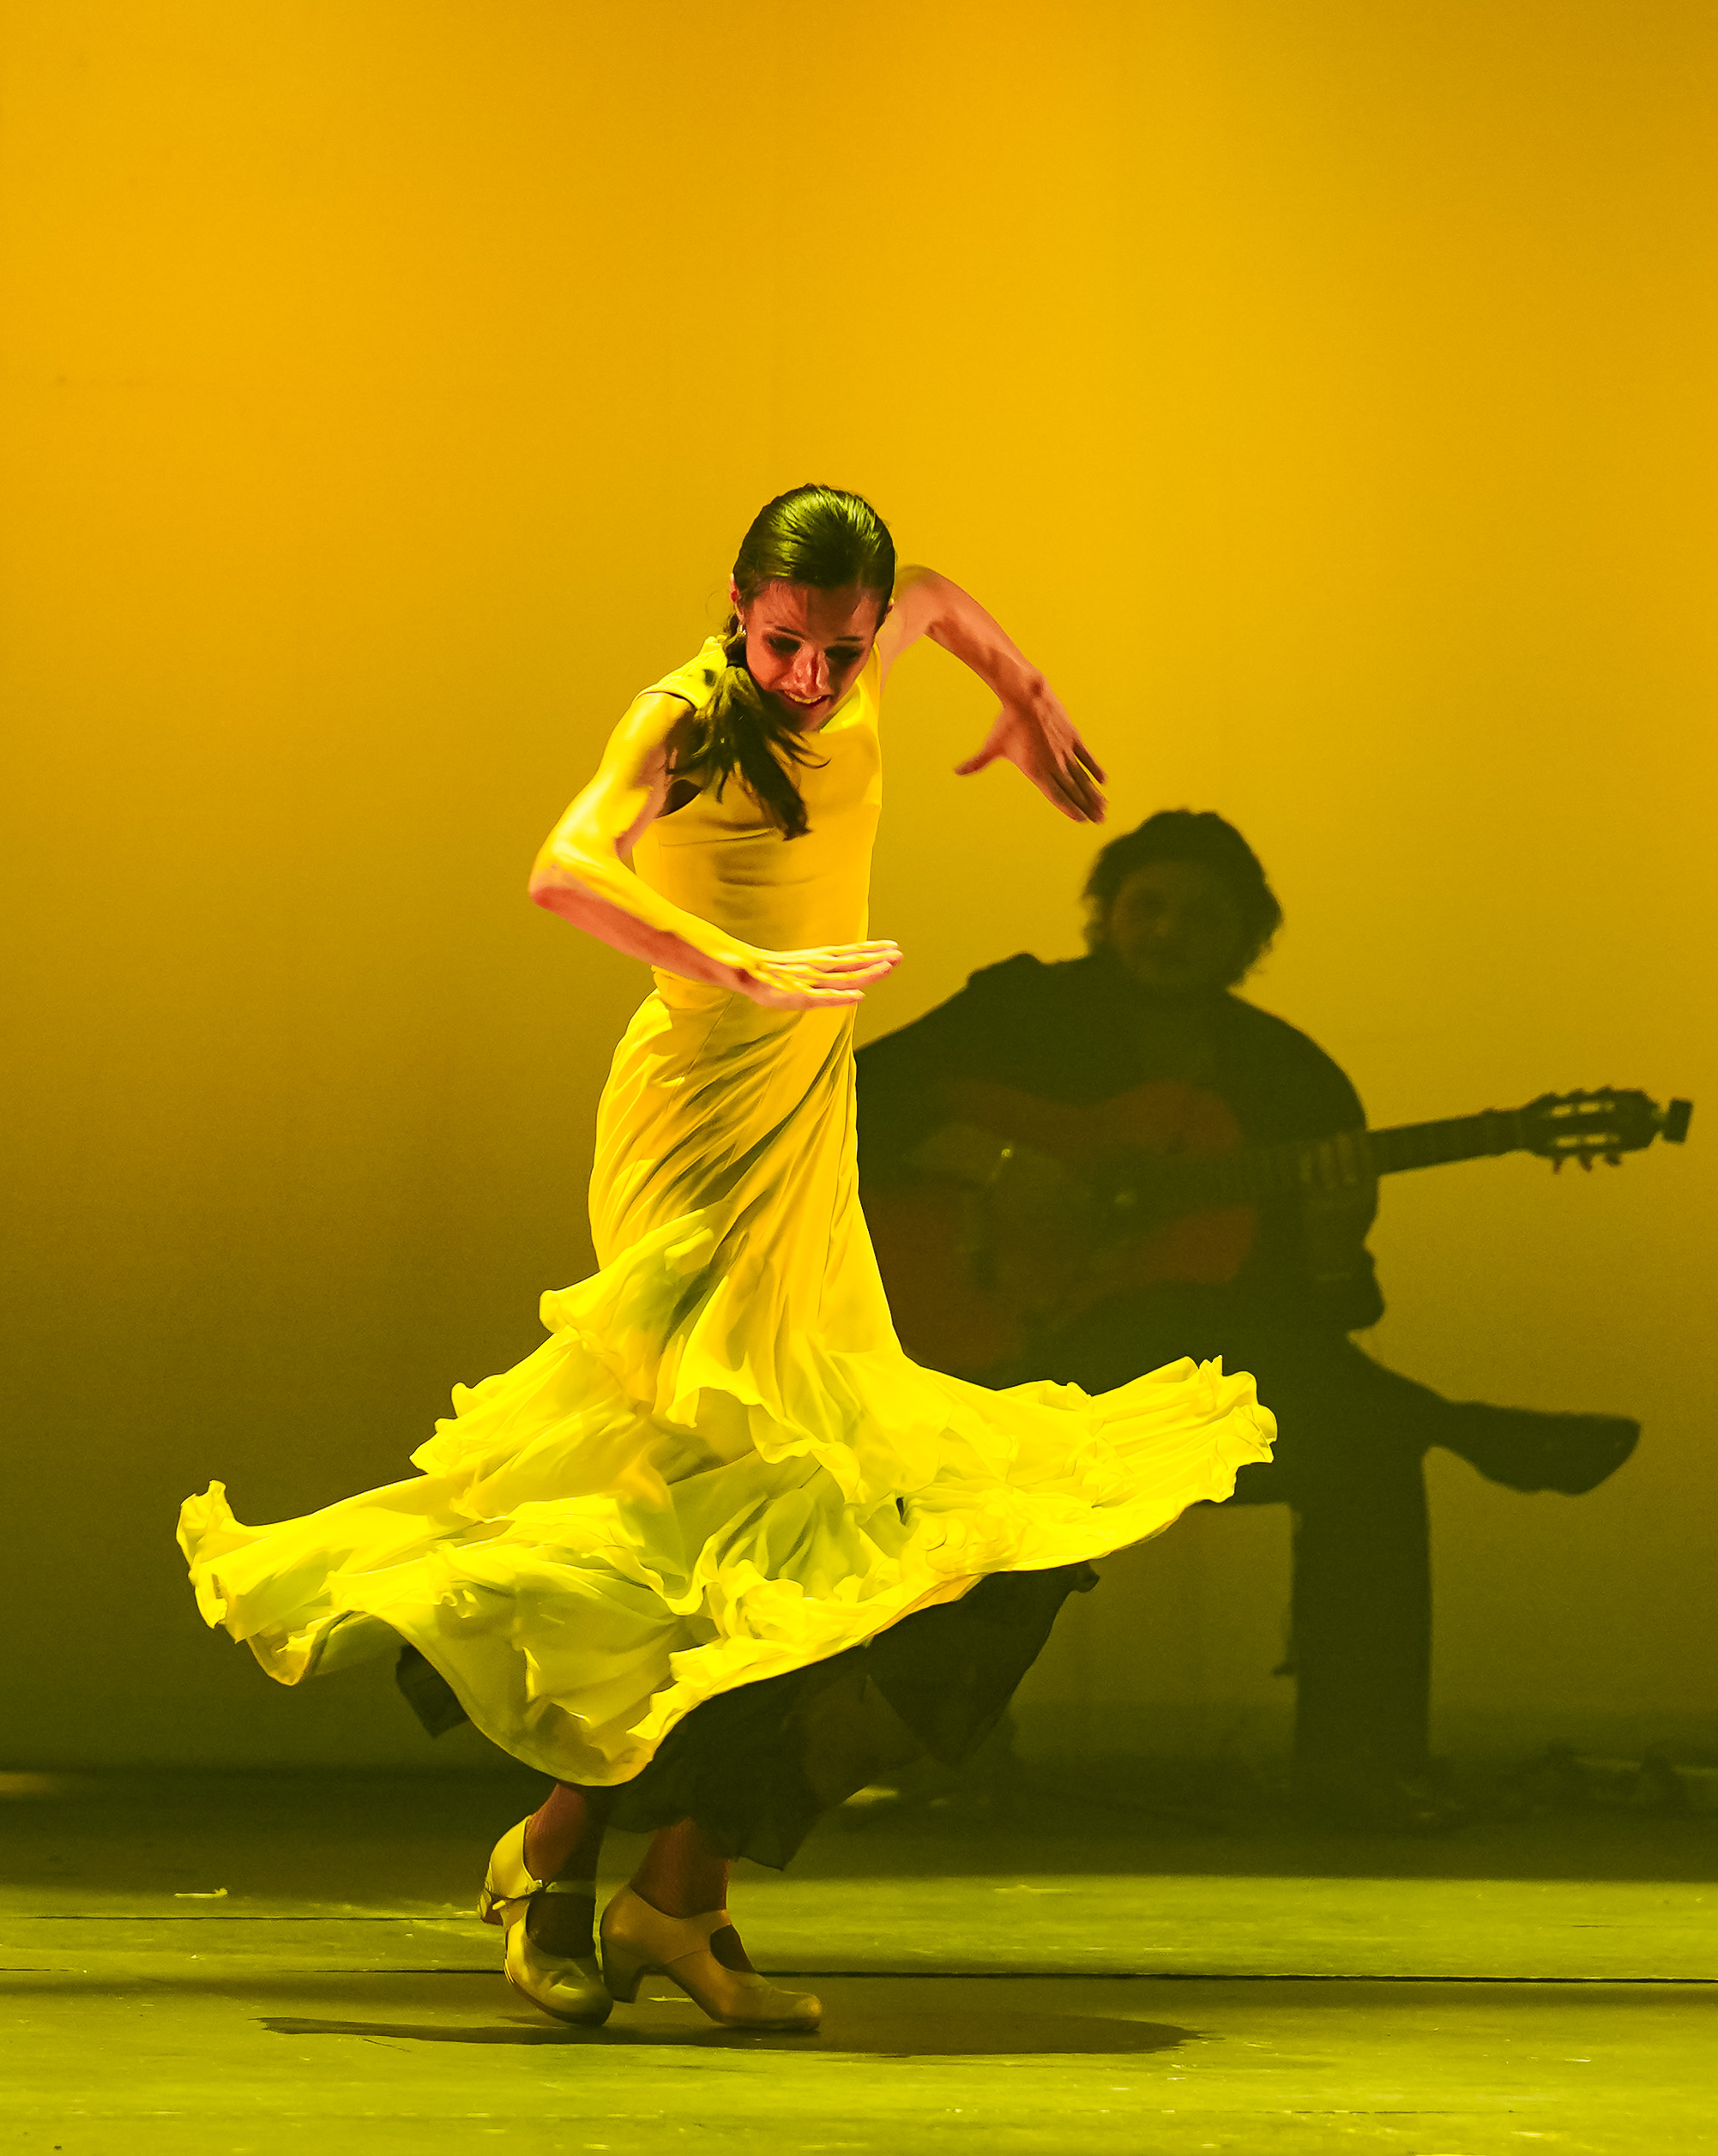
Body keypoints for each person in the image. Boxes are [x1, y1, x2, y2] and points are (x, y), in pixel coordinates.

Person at [175, 488, 1272, 2031]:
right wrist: (739, 963)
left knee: (812, 1510)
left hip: (804, 1114)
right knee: (698, 1487)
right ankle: (571, 1863)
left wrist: (1021, 691)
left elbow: (936, 595)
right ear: (738, 608)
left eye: (838, 650)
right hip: (698, 1109)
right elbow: (565, 865)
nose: (810, 679)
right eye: (782, 644)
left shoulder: (873, 648)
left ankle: (652, 1884)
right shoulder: (687, 715)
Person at [853, 810, 1641, 1831]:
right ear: (1105, 913)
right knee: (1348, 1410)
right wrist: (1002, 1164)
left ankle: (1358, 1763)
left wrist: (1332, 1243)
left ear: (1247, 938)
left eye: (1201, 916)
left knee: (1359, 1447)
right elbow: (847, 1099)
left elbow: (1323, 1315)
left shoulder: (1289, 1081)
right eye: (1147, 906)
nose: (1168, 932)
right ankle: (1456, 1423)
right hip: (988, 1357)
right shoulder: (1022, 1011)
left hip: (1169, 1381)